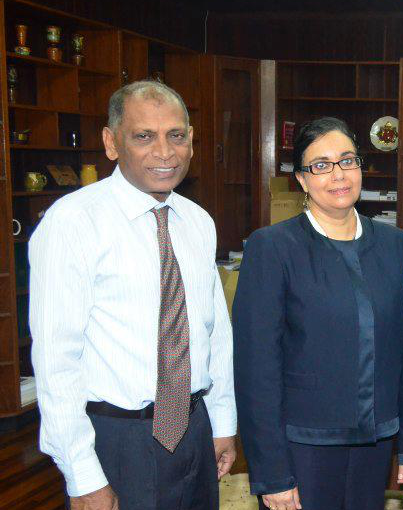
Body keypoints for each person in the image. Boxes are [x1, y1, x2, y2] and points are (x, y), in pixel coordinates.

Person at [29, 80, 237, 510]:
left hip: (195, 432)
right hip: (117, 441)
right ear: (111, 142)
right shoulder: (72, 223)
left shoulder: (197, 221)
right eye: (144, 136)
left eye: (176, 135)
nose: (164, 152)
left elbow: (214, 334)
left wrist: (222, 423)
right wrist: (82, 475)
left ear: (191, 142)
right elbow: (56, 360)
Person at [232, 117, 403, 510]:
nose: (337, 175)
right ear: (302, 180)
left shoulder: (395, 245)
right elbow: (257, 368)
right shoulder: (272, 247)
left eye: (347, 161)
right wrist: (271, 470)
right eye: (320, 165)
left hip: (376, 439)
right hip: (302, 443)